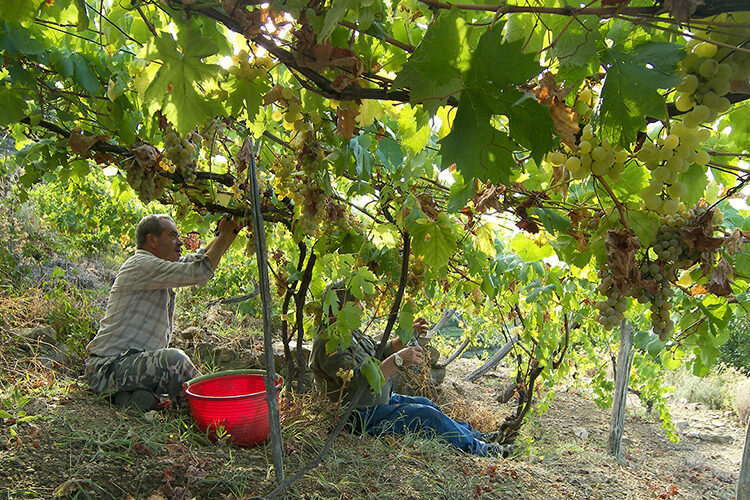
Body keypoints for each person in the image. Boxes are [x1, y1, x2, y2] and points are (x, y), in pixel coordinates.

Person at [309, 282, 513, 458]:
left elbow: (377, 354)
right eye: (357, 304)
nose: (362, 308)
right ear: (340, 308)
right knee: (426, 416)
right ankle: (481, 450)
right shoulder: (331, 342)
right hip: (358, 416)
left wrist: (405, 337)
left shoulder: (348, 331)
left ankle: (472, 435)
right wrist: (398, 360)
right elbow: (361, 384)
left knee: (425, 403)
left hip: (374, 403)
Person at [83, 213, 241, 410]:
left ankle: (131, 398)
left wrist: (230, 232)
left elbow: (200, 259)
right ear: (152, 240)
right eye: (172, 236)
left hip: (125, 367)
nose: (180, 243)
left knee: (152, 394)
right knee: (173, 360)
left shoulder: (158, 268)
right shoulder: (141, 264)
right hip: (108, 369)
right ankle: (221, 409)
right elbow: (201, 271)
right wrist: (224, 235)